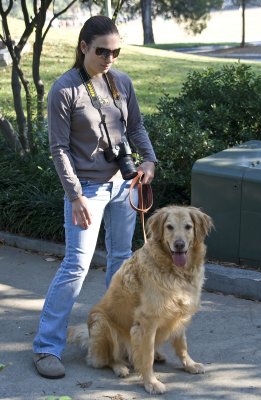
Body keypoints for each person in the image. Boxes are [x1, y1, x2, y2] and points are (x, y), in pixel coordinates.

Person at [32, 15, 157, 379]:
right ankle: (46, 347)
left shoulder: (121, 82)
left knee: (121, 261)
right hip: (86, 190)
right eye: (102, 51)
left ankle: (116, 343)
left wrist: (148, 159)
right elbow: (58, 149)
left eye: (116, 52)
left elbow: (135, 126)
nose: (110, 58)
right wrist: (75, 196)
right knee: (76, 266)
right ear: (84, 46)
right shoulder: (65, 89)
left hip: (123, 185)